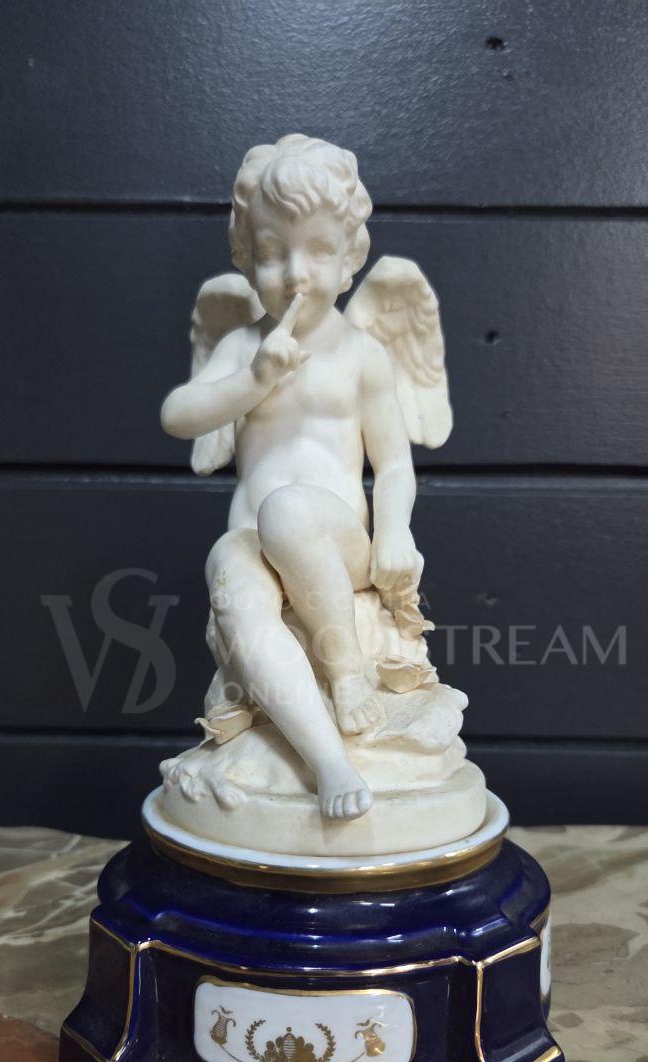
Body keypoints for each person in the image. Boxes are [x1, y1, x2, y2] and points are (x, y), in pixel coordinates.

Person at [161, 136, 423, 821]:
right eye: (272, 252)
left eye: (318, 251)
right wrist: (253, 382)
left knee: (286, 511)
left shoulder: (361, 355)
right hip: (255, 543)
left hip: (337, 546)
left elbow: (394, 463)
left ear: (351, 257)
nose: (295, 274)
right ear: (244, 256)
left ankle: (347, 673)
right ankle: (328, 761)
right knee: (235, 590)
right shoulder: (243, 347)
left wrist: (395, 531)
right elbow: (178, 416)